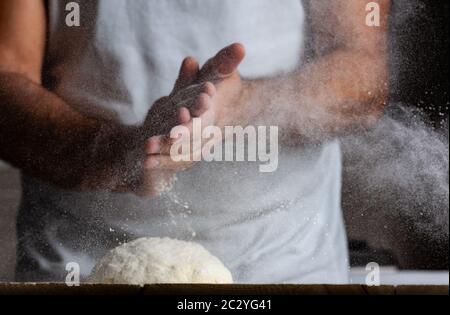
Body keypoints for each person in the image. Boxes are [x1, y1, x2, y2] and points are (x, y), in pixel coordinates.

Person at [0, 0, 389, 283]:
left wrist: (242, 106)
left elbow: (362, 72)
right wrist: (118, 153)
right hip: (81, 268)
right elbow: (7, 79)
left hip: (282, 266)